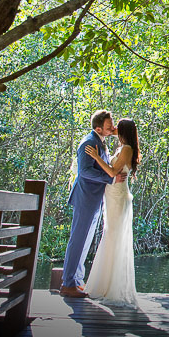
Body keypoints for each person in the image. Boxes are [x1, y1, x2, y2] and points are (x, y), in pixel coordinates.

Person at [60, 109, 126, 298]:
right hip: (86, 197)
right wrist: (111, 179)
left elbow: (113, 132)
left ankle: (77, 281)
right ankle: (68, 283)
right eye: (109, 126)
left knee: (86, 240)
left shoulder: (99, 139)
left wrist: (113, 131)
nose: (112, 127)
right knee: (78, 240)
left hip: (94, 198)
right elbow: (85, 172)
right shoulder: (89, 143)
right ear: (98, 128)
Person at [84, 117, 141, 307]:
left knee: (113, 237)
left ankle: (111, 287)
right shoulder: (122, 146)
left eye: (118, 127)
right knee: (110, 236)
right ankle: (104, 284)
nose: (114, 128)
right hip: (111, 195)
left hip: (118, 196)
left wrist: (96, 156)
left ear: (124, 132)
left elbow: (111, 172)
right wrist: (114, 131)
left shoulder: (126, 149)